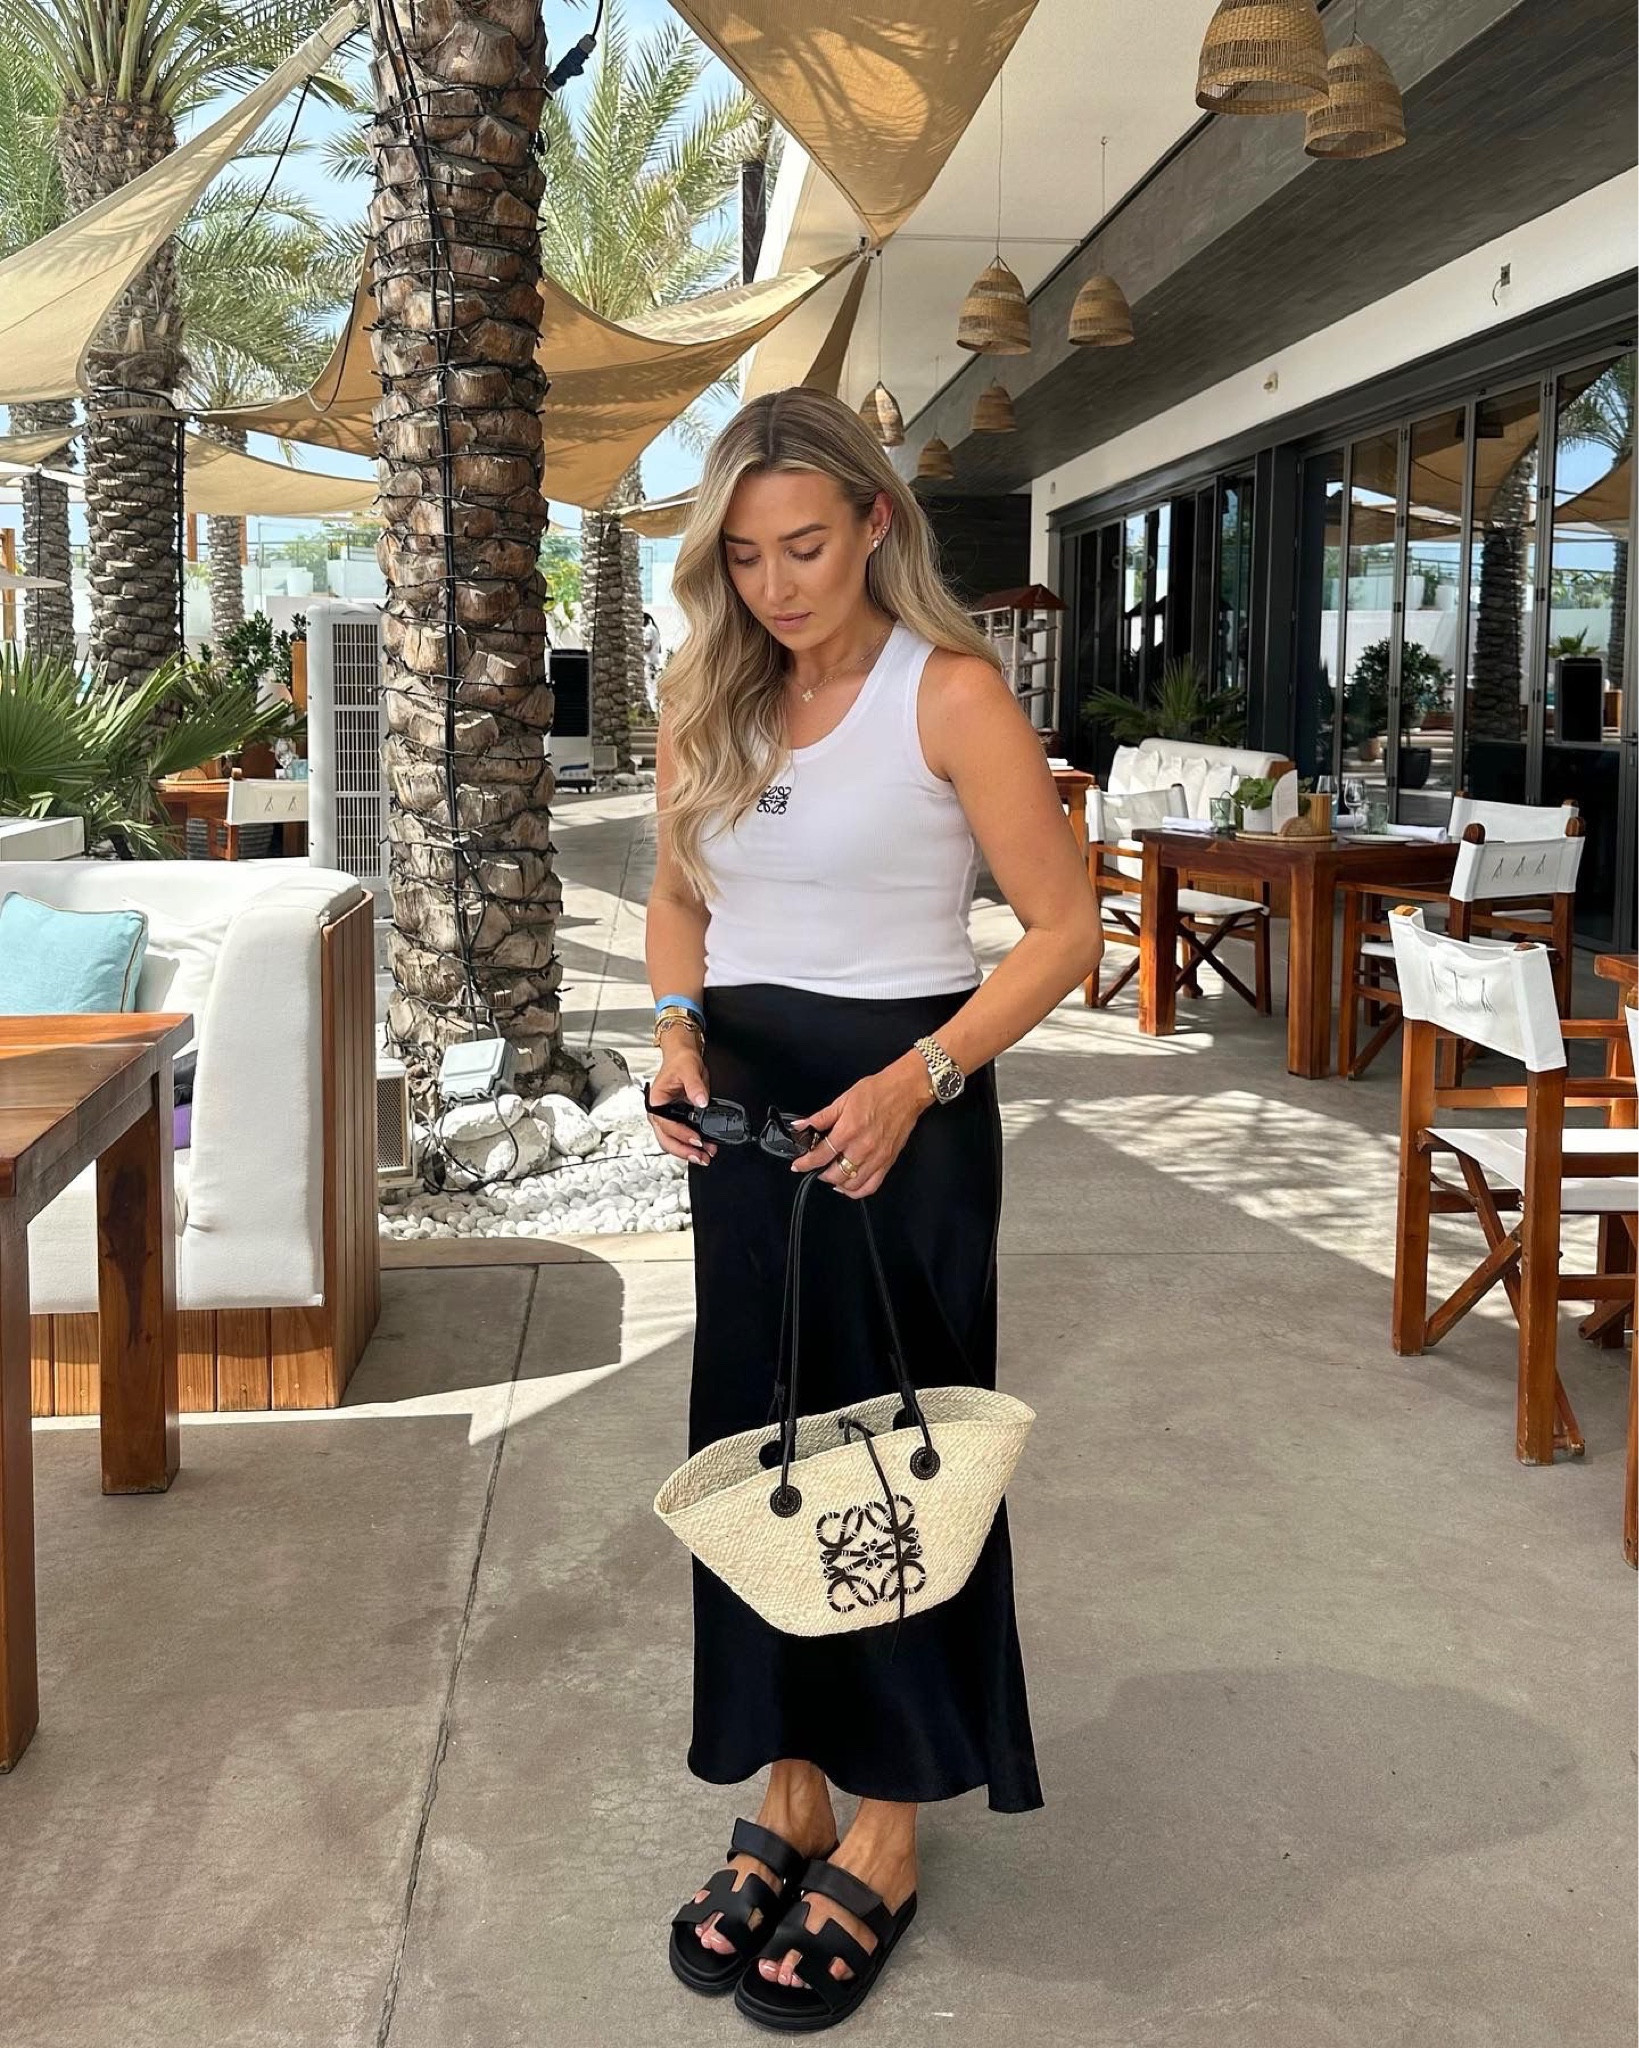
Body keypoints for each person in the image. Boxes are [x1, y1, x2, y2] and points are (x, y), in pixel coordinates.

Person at [645, 387, 1100, 2031]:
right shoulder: (707, 699)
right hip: (750, 1139)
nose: (777, 584)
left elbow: (1064, 936)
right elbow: (678, 904)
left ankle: (891, 1826)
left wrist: (922, 1080)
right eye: (748, 554)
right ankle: (787, 1799)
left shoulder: (952, 695)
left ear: (876, 528)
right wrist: (677, 1036)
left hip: (908, 1126)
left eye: (808, 546)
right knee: (758, 1455)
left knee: (900, 1463)